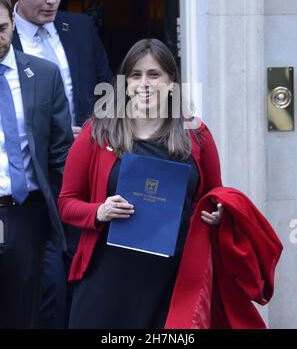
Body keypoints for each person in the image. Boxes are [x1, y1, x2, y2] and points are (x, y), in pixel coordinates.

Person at [58, 38, 282, 329]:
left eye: (154, 75)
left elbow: (213, 196)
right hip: (107, 278)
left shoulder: (197, 136)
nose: (144, 84)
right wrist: (98, 212)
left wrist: (216, 215)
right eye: (136, 75)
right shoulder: (97, 132)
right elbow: (66, 202)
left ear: (172, 81)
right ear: (125, 82)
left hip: (173, 281)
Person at [9, 0, 113, 328]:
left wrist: (93, 130)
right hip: (34, 190)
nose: (53, 0)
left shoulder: (80, 27)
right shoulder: (5, 43)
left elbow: (107, 89)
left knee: (86, 282)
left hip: (87, 178)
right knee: (42, 290)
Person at [0, 0, 73, 328]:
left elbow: (61, 154)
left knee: (28, 312)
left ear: (12, 24)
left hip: (27, 212)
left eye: (1, 29)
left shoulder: (43, 75)